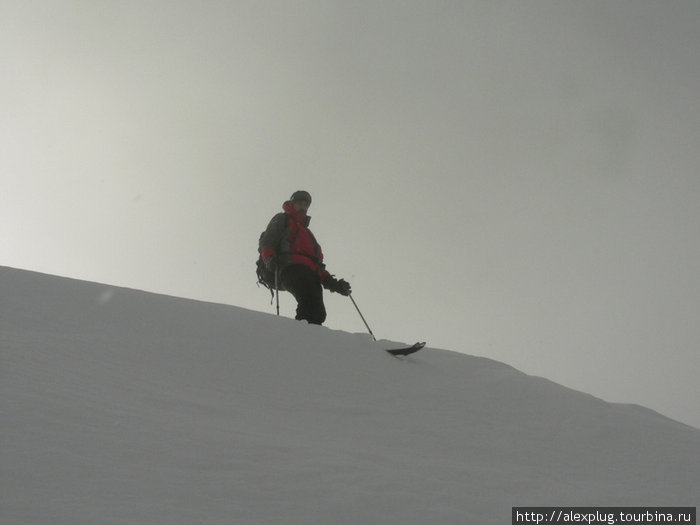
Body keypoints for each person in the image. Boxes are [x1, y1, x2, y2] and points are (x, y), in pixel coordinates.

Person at [259, 191, 351, 325]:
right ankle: (303, 338)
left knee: (318, 312)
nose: (303, 206)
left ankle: (308, 338)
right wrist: (269, 259)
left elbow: (316, 265)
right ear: (292, 204)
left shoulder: (307, 233)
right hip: (290, 267)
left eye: (305, 204)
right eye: (299, 203)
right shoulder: (283, 219)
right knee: (310, 304)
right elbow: (268, 240)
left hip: (310, 274)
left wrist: (333, 283)